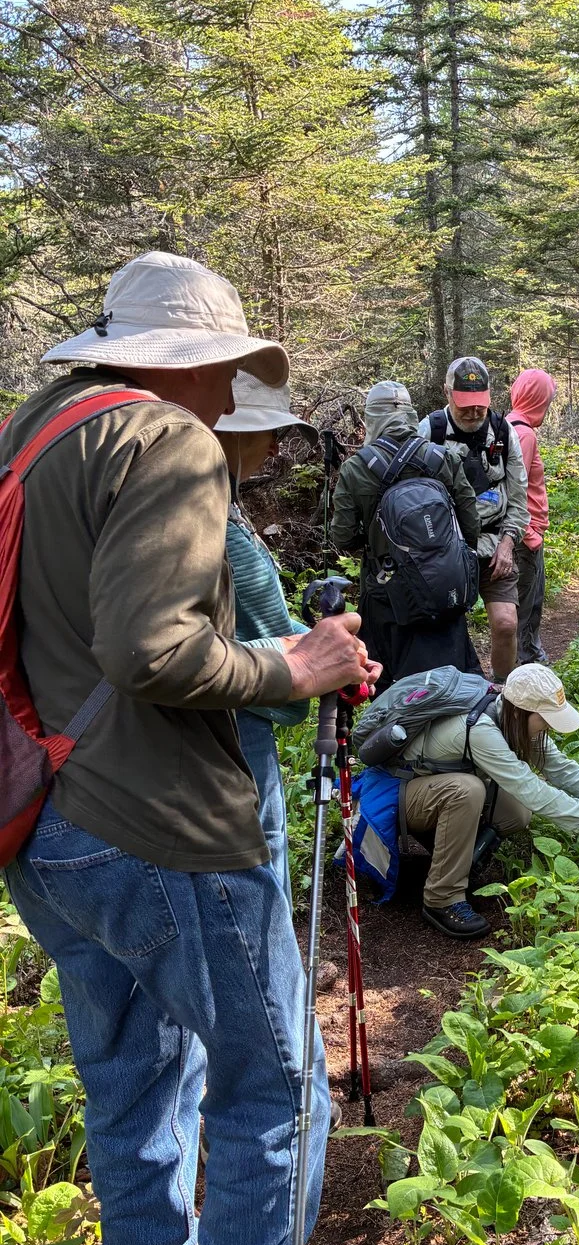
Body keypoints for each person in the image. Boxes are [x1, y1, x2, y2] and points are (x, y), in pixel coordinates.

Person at [0, 252, 380, 1245]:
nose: (228, 406)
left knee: (128, 1062)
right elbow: (154, 650)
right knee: (273, 1083)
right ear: (201, 362)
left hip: (44, 825)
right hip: (156, 823)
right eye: (226, 376)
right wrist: (294, 665)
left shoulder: (38, 431)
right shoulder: (165, 438)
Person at [398, 664, 579, 938]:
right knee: (468, 790)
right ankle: (441, 898)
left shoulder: (514, 719)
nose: (549, 726)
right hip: (401, 796)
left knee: (515, 810)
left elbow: (561, 768)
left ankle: (458, 857)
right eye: (545, 718)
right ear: (520, 710)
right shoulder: (481, 729)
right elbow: (531, 787)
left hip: (434, 792)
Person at [216, 371, 318, 907]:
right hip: (235, 714)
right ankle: (274, 980)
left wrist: (320, 644)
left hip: (242, 699)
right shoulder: (211, 518)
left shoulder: (225, 502)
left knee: (265, 840)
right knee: (261, 844)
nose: (277, 444)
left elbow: (263, 621)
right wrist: (319, 651)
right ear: (226, 432)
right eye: (267, 430)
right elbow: (256, 628)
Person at [331, 380, 482, 688]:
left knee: (390, 684)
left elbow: (342, 536)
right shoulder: (442, 458)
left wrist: (377, 545)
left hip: (388, 595)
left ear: (371, 418)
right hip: (444, 586)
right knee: (457, 677)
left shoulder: (356, 469)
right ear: (412, 415)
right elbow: (471, 521)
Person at [419, 357, 529, 681]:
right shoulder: (431, 431)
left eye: (479, 404)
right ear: (447, 393)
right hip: (447, 548)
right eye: (465, 404)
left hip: (496, 543)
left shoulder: (503, 431)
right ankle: (452, 696)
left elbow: (520, 496)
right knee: (445, 630)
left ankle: (501, 693)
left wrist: (508, 544)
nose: (473, 412)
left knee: (507, 623)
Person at [507, 369, 557, 666]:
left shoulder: (508, 426)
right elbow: (514, 490)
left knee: (523, 606)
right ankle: (527, 668)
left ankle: (523, 662)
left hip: (522, 535)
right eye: (547, 398)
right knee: (526, 608)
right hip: (525, 537)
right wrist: (530, 535)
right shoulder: (523, 434)